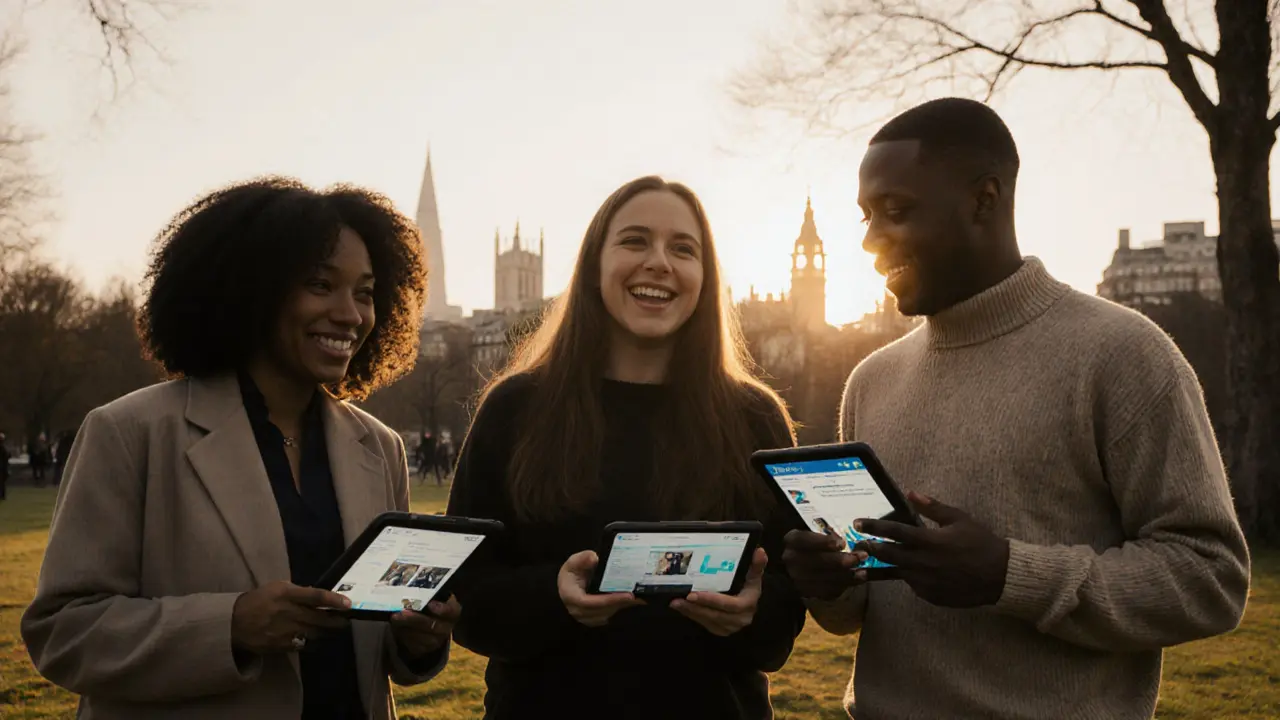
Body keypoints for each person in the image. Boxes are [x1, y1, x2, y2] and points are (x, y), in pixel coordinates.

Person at [781, 97, 1251, 719]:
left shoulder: (1124, 355)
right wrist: (831, 586)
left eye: (897, 211)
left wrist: (1010, 575)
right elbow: (864, 610)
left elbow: (1211, 578)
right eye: (866, 217)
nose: (870, 241)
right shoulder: (872, 380)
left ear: (985, 199)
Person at [21, 177, 459, 720]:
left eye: (365, 293)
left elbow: (380, 653)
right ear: (252, 290)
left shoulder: (381, 446)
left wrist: (419, 638)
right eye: (320, 284)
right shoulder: (129, 431)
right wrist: (230, 626)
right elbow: (63, 632)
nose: (350, 314)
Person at [447, 175, 807, 719]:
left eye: (682, 248)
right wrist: (554, 597)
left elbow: (784, 611)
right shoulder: (515, 408)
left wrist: (752, 612)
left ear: (705, 277)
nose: (658, 262)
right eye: (635, 241)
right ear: (594, 263)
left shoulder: (755, 417)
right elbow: (466, 596)